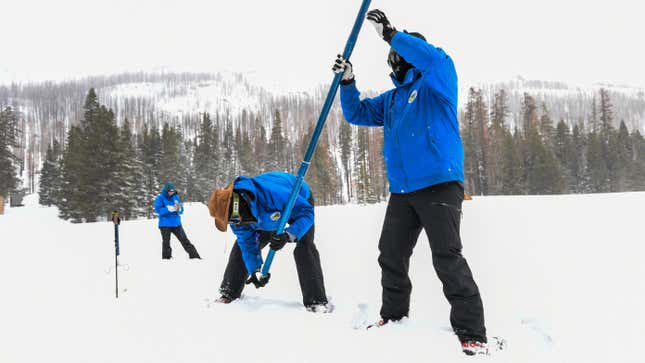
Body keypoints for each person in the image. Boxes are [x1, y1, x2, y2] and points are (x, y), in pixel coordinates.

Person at [332, 9, 487, 355]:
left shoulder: (437, 80)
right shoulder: (392, 100)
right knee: (391, 253)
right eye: (391, 58)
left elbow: (432, 58)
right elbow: (356, 113)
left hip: (439, 183)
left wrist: (390, 32)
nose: (394, 62)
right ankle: (394, 316)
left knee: (447, 257)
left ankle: (472, 332)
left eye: (399, 56)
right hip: (403, 190)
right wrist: (348, 82)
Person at [207, 171, 331, 313]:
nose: (236, 223)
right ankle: (229, 292)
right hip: (266, 217)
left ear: (238, 203)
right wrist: (255, 269)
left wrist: (288, 235)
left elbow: (306, 213)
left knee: (305, 245)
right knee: (241, 247)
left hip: (297, 198)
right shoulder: (237, 220)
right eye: (231, 221)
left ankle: (316, 301)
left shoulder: (272, 194)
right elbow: (248, 245)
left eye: (234, 218)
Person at [154, 182, 201, 260]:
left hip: (176, 224)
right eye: (169, 191)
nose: (171, 193)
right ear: (166, 191)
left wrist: (179, 209)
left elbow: (181, 210)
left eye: (172, 191)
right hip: (165, 224)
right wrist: (168, 209)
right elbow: (158, 210)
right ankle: (166, 259)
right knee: (166, 242)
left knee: (185, 240)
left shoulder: (176, 197)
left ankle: (195, 257)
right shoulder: (160, 198)